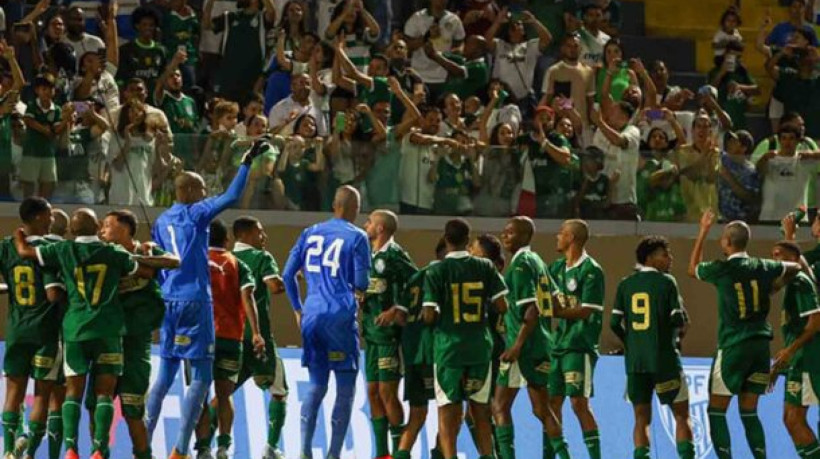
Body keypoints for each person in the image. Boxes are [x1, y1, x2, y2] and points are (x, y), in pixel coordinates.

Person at [145, 140, 266, 459]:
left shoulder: (160, 221)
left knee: (164, 376)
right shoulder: (196, 214)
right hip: (196, 302)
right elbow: (231, 196)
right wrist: (245, 163)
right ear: (189, 192)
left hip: (169, 301)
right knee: (200, 379)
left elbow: (158, 263)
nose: (204, 194)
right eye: (200, 189)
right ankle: (180, 449)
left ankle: (142, 443)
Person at [12, 208, 159, 459]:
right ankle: (99, 449)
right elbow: (145, 271)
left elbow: (25, 251)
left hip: (76, 329)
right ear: (97, 227)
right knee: (104, 392)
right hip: (108, 330)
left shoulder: (63, 250)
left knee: (73, 392)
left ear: (72, 230)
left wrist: (18, 235)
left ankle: (70, 449)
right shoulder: (114, 252)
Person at [688, 210, 802, 459]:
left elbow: (692, 268)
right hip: (761, 346)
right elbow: (794, 266)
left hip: (733, 345)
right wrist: (773, 288)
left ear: (727, 242)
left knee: (716, 410)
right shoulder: (762, 266)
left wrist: (703, 231)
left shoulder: (722, 269)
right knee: (749, 411)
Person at [281, 186, 371, 459]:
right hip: (340, 318)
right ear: (355, 208)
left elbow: (287, 275)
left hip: (312, 315)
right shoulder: (358, 237)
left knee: (316, 386)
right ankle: (333, 455)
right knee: (345, 389)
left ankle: (304, 451)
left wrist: (298, 310)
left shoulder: (309, 233)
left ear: (334, 204)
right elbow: (361, 283)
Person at [93, 210, 180, 459]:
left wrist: (140, 260)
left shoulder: (146, 250)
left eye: (108, 225)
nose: (102, 230)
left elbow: (174, 262)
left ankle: (143, 455)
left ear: (125, 228)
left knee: (133, 409)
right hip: (107, 338)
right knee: (100, 402)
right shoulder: (103, 255)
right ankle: (99, 452)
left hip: (136, 343)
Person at [421, 218, 508, 459]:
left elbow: (428, 315)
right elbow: (502, 305)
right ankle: (487, 456)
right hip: (480, 348)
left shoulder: (436, 270)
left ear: (446, 240)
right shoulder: (485, 267)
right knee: (480, 411)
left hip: (449, 350)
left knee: (448, 412)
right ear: (467, 241)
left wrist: (439, 313)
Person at [610, 236, 695, 459]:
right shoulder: (667, 282)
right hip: (663, 358)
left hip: (636, 362)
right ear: (649, 258)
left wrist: (631, 343)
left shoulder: (625, 284)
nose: (670, 258)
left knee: (640, 418)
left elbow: (613, 323)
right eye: (664, 254)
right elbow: (679, 320)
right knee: (681, 415)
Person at [493, 216, 569, 459]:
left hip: (522, 346)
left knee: (508, 407)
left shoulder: (521, 264)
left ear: (525, 236)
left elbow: (531, 308)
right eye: (504, 232)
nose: (505, 236)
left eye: (511, 233)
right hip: (539, 343)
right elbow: (556, 302)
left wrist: (517, 345)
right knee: (533, 408)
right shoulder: (538, 261)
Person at [194, 219, 264, 459]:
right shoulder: (238, 264)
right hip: (230, 338)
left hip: (200, 338)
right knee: (224, 395)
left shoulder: (196, 262)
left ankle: (203, 448)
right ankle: (223, 446)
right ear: (227, 240)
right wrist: (256, 332)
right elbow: (248, 297)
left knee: (200, 396)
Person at [1, 197, 64, 459]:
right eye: (49, 215)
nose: (51, 220)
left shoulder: (5, 246)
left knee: (13, 393)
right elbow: (53, 295)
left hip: (16, 329)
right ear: (38, 217)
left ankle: (6, 451)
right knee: (41, 396)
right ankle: (30, 455)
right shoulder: (50, 248)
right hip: (46, 332)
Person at [231, 216, 290, 459]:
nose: (263, 237)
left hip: (231, 338)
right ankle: (271, 448)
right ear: (245, 235)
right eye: (259, 232)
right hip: (259, 339)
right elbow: (275, 287)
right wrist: (286, 280)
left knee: (223, 394)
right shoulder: (261, 258)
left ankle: (207, 446)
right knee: (279, 391)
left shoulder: (226, 260)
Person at [361, 210, 417, 459]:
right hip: (371, 335)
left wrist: (397, 309)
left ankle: (398, 452)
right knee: (372, 392)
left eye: (370, 222)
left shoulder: (395, 255)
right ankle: (382, 454)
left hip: (389, 335)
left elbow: (418, 281)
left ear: (380, 228)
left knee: (387, 392)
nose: (366, 225)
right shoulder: (369, 255)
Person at [548, 219, 605, 459]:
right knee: (551, 404)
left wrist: (556, 311)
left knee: (578, 404)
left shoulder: (591, 270)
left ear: (571, 238)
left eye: (561, 233)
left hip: (579, 346)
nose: (557, 237)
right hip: (556, 345)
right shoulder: (556, 269)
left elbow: (586, 310)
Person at [393, 238, 447, 459]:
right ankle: (438, 455)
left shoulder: (416, 276)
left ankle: (402, 454)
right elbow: (431, 315)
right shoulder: (446, 277)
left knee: (417, 413)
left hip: (413, 353)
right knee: (449, 412)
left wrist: (414, 333)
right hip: (437, 352)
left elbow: (399, 316)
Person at [769, 237, 820, 459]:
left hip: (808, 359)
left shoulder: (799, 281)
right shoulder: (791, 284)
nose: (775, 259)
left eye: (780, 254)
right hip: (797, 360)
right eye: (773, 255)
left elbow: (816, 322)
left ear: (795, 260)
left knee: (793, 418)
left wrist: (790, 351)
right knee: (790, 418)